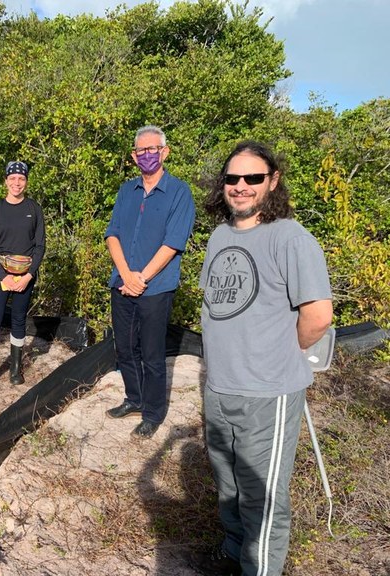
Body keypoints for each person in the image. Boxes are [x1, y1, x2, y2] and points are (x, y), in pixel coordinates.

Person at [191, 141, 333, 576]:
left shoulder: (290, 237)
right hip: (219, 387)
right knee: (228, 486)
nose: (241, 186)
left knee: (262, 496)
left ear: (272, 181)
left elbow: (318, 315)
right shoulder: (220, 235)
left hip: (266, 394)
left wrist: (278, 353)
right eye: (233, 178)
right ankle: (234, 554)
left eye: (253, 178)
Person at [104, 125, 196, 437]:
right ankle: (134, 398)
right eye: (141, 151)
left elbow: (173, 243)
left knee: (153, 353)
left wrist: (141, 278)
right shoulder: (125, 191)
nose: (147, 155)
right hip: (122, 282)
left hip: (155, 288)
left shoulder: (179, 193)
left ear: (164, 152)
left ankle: (153, 413)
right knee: (126, 348)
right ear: (134, 156)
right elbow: (112, 234)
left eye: (153, 149)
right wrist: (126, 275)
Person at [0, 161, 46, 391]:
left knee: (18, 320)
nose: (17, 183)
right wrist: (2, 276)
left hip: (25, 276)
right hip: (1, 275)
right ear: (6, 181)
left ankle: (15, 370)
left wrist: (29, 275)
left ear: (26, 182)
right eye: (13, 178)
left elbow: (40, 245)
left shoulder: (34, 209)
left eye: (21, 179)